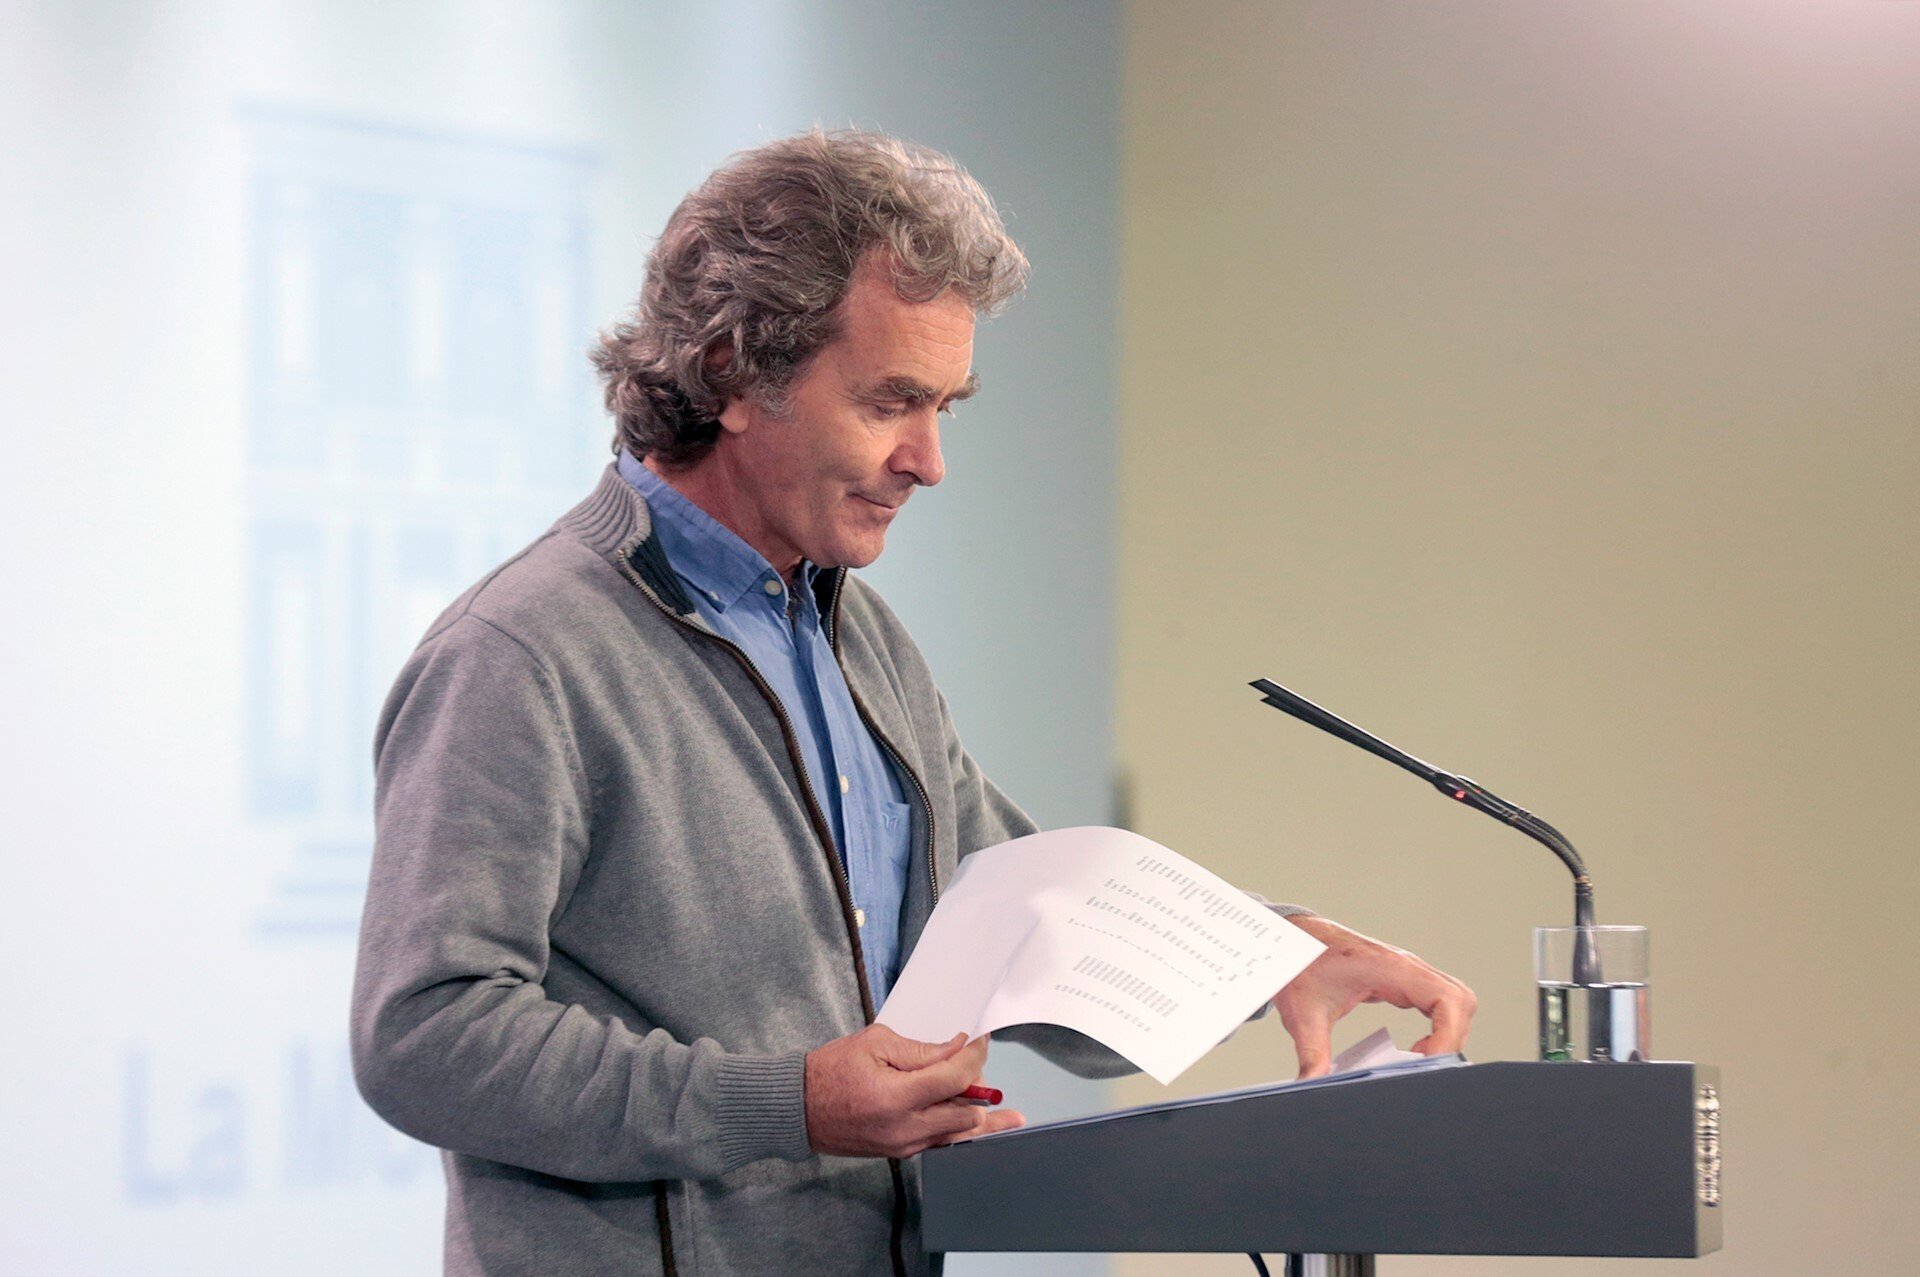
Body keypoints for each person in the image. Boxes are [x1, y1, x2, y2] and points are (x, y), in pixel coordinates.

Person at [351, 128, 1476, 1277]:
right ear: (734, 372)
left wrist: (1266, 954)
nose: (929, 460)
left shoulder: (860, 637)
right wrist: (788, 1102)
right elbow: (423, 1036)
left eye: (945, 405)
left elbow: (1024, 922)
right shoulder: (523, 655)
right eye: (893, 400)